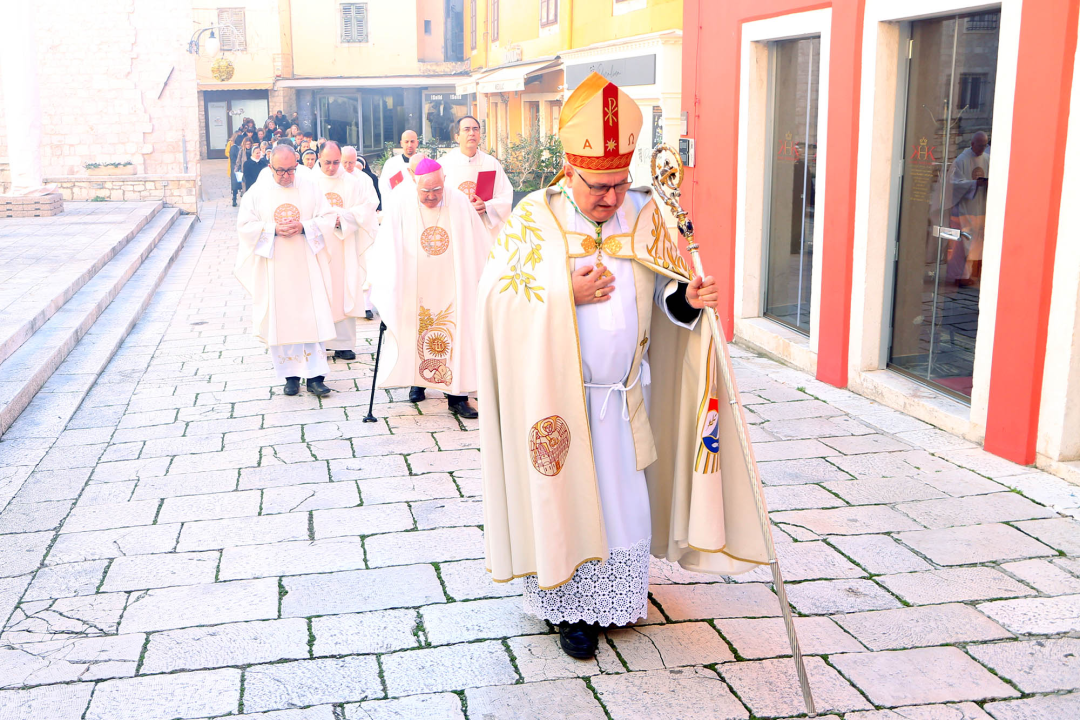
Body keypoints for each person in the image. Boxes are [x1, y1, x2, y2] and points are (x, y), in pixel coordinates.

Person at [477, 72, 769, 660]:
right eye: (597, 186)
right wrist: (564, 292)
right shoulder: (536, 217)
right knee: (565, 498)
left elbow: (663, 298)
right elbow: (496, 301)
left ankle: (617, 598)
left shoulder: (645, 214)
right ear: (567, 166)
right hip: (560, 399)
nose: (609, 198)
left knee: (621, 502)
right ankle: (571, 611)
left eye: (617, 184)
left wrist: (688, 301)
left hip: (623, 396)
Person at [368, 158, 492, 418]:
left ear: (444, 181)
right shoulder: (401, 202)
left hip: (454, 284)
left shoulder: (457, 201)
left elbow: (478, 243)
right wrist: (384, 278)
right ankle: (419, 382)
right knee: (416, 327)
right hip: (414, 282)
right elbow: (387, 245)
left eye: (436, 190)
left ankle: (457, 397)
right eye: (425, 191)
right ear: (415, 182)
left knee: (456, 334)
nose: (431, 196)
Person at [235, 145, 338, 397]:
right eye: (280, 170)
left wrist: (304, 226)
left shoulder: (310, 185)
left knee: (310, 316)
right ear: (270, 167)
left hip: (306, 265)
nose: (286, 176)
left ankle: (315, 377)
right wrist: (271, 229)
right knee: (283, 319)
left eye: (291, 170)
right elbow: (244, 226)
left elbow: (327, 217)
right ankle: (290, 377)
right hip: (275, 266)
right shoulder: (257, 192)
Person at [311, 141, 379, 359]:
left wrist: (343, 218)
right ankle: (319, 341)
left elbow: (367, 208)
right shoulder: (309, 182)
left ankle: (344, 343)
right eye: (327, 162)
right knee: (320, 292)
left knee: (344, 288)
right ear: (318, 158)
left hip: (344, 245)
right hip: (318, 247)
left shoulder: (352, 182)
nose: (332, 167)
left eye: (336, 162)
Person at [440, 115, 513, 241]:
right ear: (457, 137)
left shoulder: (491, 164)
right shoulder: (444, 165)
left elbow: (505, 196)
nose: (472, 133)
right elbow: (437, 198)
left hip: (483, 228)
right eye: (466, 129)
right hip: (456, 228)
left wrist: (486, 206)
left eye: (475, 129)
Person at [946, 130, 990, 286]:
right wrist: (974, 184)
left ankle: (970, 273)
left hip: (980, 206)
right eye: (980, 145)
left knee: (976, 242)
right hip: (965, 208)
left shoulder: (987, 159)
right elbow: (953, 184)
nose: (983, 148)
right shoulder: (960, 161)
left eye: (985, 145)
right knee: (962, 243)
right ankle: (958, 275)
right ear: (972, 144)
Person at [343, 146, 381, 318]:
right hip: (341, 232)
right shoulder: (334, 179)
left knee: (365, 265)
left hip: (361, 229)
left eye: (352, 162)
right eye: (345, 162)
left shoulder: (364, 179)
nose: (349, 166)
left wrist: (352, 216)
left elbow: (372, 202)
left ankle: (366, 305)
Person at [378, 130, 422, 200]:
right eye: (406, 142)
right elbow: (384, 187)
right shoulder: (391, 164)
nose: (409, 145)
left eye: (412, 141)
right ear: (401, 143)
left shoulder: (423, 162)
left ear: (417, 143)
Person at [230, 136, 251, 206]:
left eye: (249, 144)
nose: (248, 146)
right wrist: (236, 170)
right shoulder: (241, 151)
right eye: (247, 144)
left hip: (252, 171)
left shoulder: (253, 150)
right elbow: (238, 161)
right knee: (244, 187)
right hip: (244, 171)